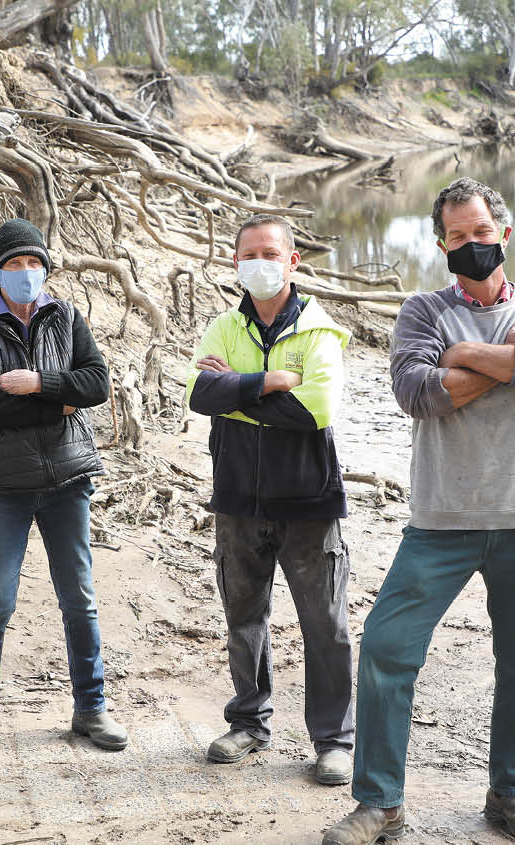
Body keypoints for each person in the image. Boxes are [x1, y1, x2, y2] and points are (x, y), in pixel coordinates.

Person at [323, 178, 515, 845]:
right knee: (386, 648)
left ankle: (511, 794)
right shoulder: (423, 311)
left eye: (482, 232)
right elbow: (418, 392)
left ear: (505, 232)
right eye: (458, 236)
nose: (472, 244)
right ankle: (380, 803)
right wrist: (510, 358)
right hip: (442, 520)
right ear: (441, 244)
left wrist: (463, 357)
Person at [184, 213, 356, 786]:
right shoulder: (223, 327)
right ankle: (249, 723)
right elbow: (198, 394)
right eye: (249, 254)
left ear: (292, 261)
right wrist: (270, 381)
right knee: (244, 616)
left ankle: (333, 740)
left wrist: (234, 388)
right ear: (235, 262)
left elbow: (317, 410)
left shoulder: (320, 331)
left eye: (271, 253)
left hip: (309, 502)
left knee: (324, 624)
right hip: (237, 499)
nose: (260, 263)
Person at [0, 218, 127, 763]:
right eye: (14, 264)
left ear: (46, 268)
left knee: (80, 599)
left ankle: (91, 708)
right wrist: (62, 402)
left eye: (34, 263)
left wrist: (38, 383)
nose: (26, 272)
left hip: (68, 480)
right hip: (3, 486)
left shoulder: (66, 315)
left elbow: (97, 383)